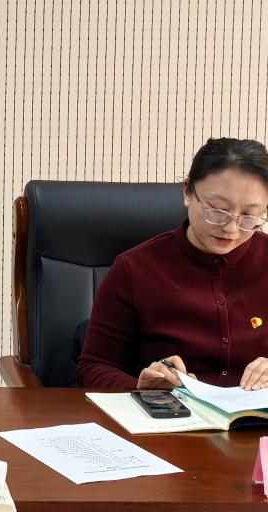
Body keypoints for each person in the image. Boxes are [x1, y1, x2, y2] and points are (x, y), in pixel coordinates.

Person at [77, 138, 268, 391]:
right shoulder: (135, 269)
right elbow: (94, 367)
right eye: (217, 211)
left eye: (250, 216)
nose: (231, 228)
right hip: (170, 414)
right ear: (187, 192)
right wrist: (141, 388)